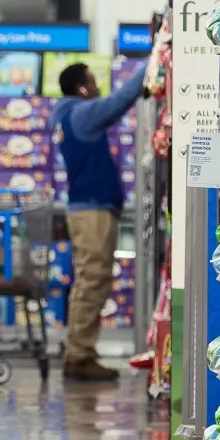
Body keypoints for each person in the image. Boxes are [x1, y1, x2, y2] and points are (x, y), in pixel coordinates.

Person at [51, 60, 146, 383]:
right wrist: (155, 57)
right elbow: (120, 101)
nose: (97, 88)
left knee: (89, 280)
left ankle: (80, 352)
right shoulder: (81, 113)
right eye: (92, 82)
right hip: (91, 211)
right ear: (82, 87)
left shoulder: (66, 116)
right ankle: (79, 355)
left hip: (87, 208)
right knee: (92, 280)